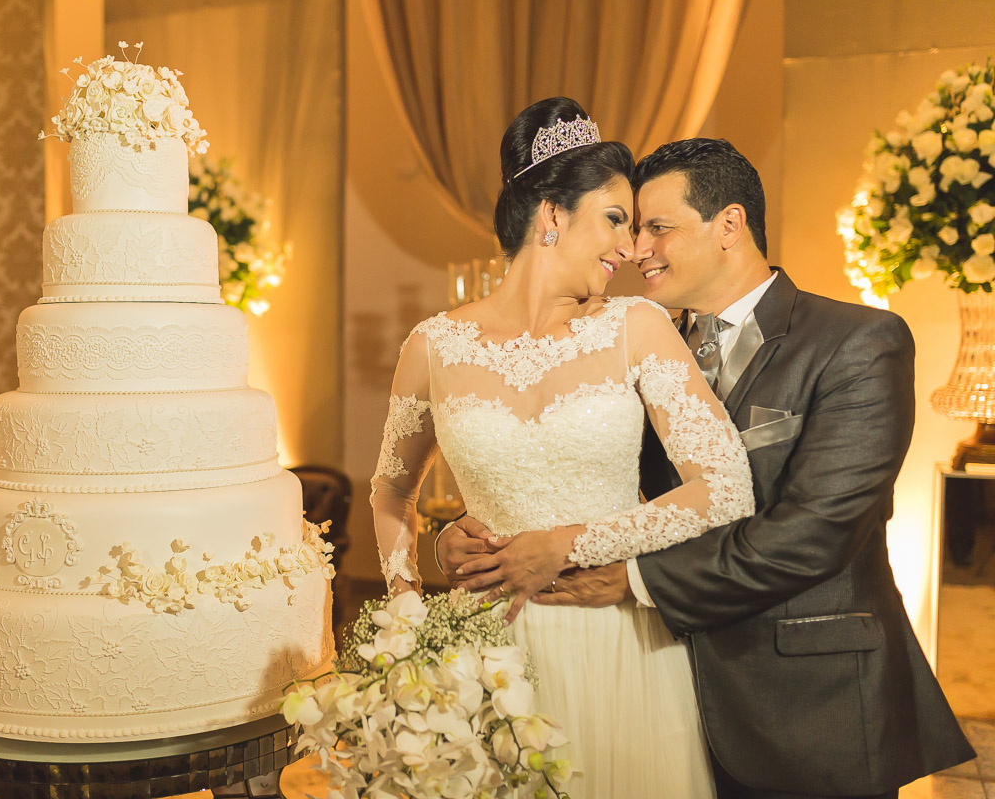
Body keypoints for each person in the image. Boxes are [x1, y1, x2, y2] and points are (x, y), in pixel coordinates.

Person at [438, 137, 977, 799]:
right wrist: (476, 524)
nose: (635, 250)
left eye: (657, 228)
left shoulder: (858, 341)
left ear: (730, 224)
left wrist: (634, 578)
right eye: (631, 229)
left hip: (807, 702)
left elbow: (818, 533)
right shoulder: (635, 340)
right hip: (663, 692)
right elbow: (584, 468)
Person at [370, 98, 756, 798]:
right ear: (550, 215)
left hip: (613, 640)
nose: (630, 247)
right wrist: (406, 599)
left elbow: (726, 486)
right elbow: (391, 491)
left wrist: (570, 542)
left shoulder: (636, 326)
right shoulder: (434, 344)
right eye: (614, 219)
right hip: (481, 651)